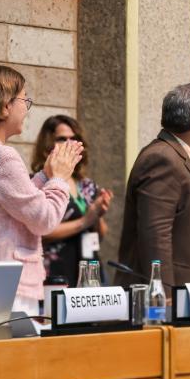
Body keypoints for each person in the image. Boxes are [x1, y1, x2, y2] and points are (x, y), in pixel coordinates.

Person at [0, 65, 83, 315]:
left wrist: (45, 175)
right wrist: (61, 179)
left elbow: (15, 202)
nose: (26, 109)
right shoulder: (0, 156)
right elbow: (44, 220)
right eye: (24, 100)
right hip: (7, 288)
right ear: (4, 106)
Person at [116, 82, 190, 290]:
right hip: (167, 302)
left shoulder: (175, 157)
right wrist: (164, 299)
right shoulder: (162, 159)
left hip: (189, 294)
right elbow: (156, 236)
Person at [31, 115, 113, 287]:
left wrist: (98, 214)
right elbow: (39, 232)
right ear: (47, 146)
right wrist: (84, 221)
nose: (70, 144)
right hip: (55, 274)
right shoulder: (38, 182)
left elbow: (101, 234)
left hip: (89, 271)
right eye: (62, 139)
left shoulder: (87, 185)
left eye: (74, 139)